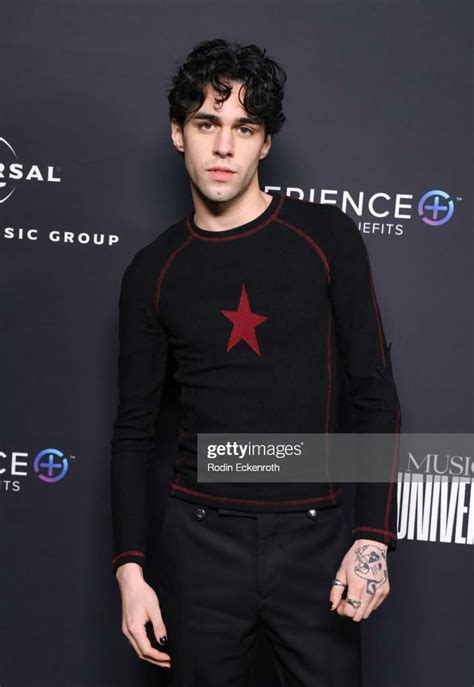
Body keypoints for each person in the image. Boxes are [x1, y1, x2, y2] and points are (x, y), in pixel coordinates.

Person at [109, 38, 402, 686]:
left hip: (317, 539)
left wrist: (372, 538)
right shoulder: (152, 271)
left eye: (244, 128)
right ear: (178, 133)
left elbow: (373, 393)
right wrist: (131, 571)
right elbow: (133, 432)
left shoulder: (327, 239)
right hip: (200, 543)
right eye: (207, 124)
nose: (223, 147)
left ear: (265, 142)